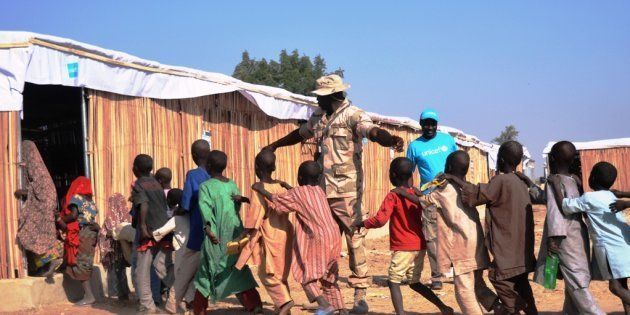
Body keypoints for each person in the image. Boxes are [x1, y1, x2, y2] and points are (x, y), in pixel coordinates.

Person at [262, 74, 404, 314]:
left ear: (332, 96)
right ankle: (329, 294)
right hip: (321, 189)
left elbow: (372, 131)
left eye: (320, 96)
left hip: (347, 191)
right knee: (324, 241)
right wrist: (274, 145)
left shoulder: (353, 115)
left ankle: (360, 295)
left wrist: (390, 140)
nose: (317, 100)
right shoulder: (319, 116)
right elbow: (300, 134)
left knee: (354, 238)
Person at [396, 151, 501, 314]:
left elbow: (422, 201)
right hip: (477, 242)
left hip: (462, 245)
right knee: (478, 284)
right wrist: (421, 192)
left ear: (449, 167)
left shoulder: (445, 188)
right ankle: (499, 307)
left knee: (464, 291)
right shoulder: (467, 187)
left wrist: (401, 192)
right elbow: (431, 197)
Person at [445, 141, 539, 315]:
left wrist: (454, 179)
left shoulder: (501, 181)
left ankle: (517, 307)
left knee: (499, 278)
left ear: (501, 159)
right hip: (522, 250)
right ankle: (529, 309)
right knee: (522, 284)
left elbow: (477, 195)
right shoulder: (521, 182)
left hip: (508, 251)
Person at [352, 157, 453, 315]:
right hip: (420, 246)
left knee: (393, 281)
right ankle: (444, 308)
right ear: (412, 175)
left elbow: (380, 220)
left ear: (392, 176)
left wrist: (363, 223)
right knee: (414, 282)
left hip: (403, 247)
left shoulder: (394, 196)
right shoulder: (417, 194)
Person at [253, 160, 347, 315]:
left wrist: (261, 189)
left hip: (319, 238)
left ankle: (323, 305)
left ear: (300, 177)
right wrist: (287, 186)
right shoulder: (319, 191)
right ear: (317, 179)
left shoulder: (297, 193)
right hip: (335, 236)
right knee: (329, 279)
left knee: (305, 274)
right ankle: (341, 309)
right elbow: (302, 197)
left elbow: (278, 203)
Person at [533, 141, 605, 314]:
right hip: (578, 235)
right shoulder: (574, 180)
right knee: (574, 283)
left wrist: (554, 239)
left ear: (553, 158)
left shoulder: (554, 181)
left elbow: (555, 211)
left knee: (577, 286)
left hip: (564, 237)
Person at [192, 150, 263, 315]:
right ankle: (255, 305)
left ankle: (199, 309)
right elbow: (235, 207)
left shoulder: (205, 187)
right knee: (237, 270)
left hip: (215, 237)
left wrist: (209, 231)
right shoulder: (231, 184)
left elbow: (206, 211)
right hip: (235, 237)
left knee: (206, 272)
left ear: (208, 166)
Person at [554, 162, 630, 314]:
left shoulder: (590, 198)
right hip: (624, 246)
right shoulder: (611, 195)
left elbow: (565, 206)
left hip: (611, 250)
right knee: (623, 287)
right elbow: (587, 204)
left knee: (615, 287)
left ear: (592, 178)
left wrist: (556, 184)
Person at [235, 150, 294, 314]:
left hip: (270, 235)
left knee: (266, 273)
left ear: (256, 167)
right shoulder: (280, 186)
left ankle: (283, 303)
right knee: (280, 272)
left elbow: (255, 216)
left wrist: (242, 235)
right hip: (285, 233)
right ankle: (283, 308)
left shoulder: (259, 188)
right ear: (274, 166)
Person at [405, 108, 458, 290]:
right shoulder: (414, 146)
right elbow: (409, 171)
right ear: (421, 125)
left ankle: (458, 271)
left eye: (432, 123)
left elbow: (458, 161)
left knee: (455, 231)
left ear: (437, 125)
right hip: (429, 195)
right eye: (426, 123)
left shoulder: (447, 140)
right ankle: (437, 276)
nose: (429, 127)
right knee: (431, 236)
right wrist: (414, 191)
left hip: (451, 191)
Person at [167, 140, 211, 314]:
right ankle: (252, 303)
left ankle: (173, 302)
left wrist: (177, 211)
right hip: (215, 231)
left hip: (198, 231)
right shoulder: (215, 175)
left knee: (186, 269)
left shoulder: (193, 175)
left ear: (193, 155)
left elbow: (186, 204)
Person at [131, 154, 174, 313]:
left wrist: (142, 227)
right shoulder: (156, 183)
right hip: (164, 231)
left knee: (141, 271)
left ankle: (147, 306)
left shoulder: (139, 184)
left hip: (149, 232)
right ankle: (181, 293)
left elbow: (143, 204)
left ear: (135, 169)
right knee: (160, 266)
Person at [14, 140, 63, 277]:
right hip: (44, 206)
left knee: (29, 232)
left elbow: (40, 189)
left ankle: (52, 259)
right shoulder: (39, 169)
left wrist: (23, 192)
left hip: (42, 207)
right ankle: (46, 264)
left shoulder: (38, 171)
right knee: (41, 235)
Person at [57, 176, 100, 306]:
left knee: (80, 261)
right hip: (92, 233)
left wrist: (61, 219)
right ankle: (88, 295)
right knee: (85, 261)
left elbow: (74, 215)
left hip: (83, 233)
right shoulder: (91, 202)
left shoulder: (76, 198)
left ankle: (89, 296)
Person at [153, 188, 189, 311]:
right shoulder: (190, 216)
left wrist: (146, 234)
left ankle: (173, 307)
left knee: (160, 266)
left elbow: (159, 233)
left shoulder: (176, 219)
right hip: (192, 251)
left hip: (181, 253)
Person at [100, 193, 132, 301]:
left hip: (113, 251)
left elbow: (108, 233)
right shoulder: (128, 216)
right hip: (124, 250)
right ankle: (124, 295)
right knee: (121, 271)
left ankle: (115, 296)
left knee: (114, 272)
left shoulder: (110, 217)